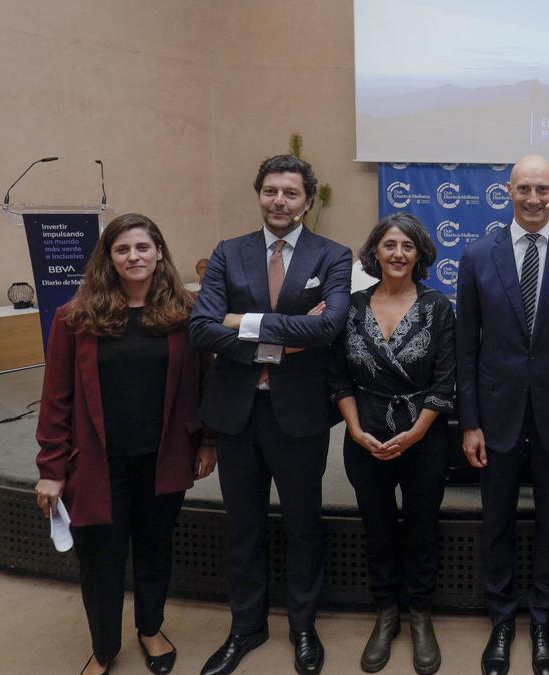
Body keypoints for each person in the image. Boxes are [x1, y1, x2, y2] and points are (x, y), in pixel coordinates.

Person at [189, 154, 352, 675]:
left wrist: (240, 322)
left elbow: (329, 330)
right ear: (258, 194)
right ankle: (246, 627)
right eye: (270, 191)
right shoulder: (227, 253)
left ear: (308, 201)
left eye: (290, 193)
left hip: (299, 417)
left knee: (304, 525)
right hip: (237, 414)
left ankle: (303, 625)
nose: (279, 201)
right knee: (244, 526)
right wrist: (283, 334)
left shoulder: (333, 256)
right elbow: (201, 329)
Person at [35, 213, 216, 675]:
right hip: (96, 464)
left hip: (164, 459)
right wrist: (51, 468)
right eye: (123, 249)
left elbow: (204, 383)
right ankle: (104, 647)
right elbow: (56, 398)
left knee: (156, 549)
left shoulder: (186, 315)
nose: (134, 256)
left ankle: (151, 629)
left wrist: (207, 443)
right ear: (108, 259)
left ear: (159, 253)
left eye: (142, 247)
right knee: (100, 561)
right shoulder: (74, 318)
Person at [456, 154, 549, 675]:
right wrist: (468, 420)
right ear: (508, 191)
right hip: (494, 413)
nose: (534, 199)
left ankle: (542, 619)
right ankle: (500, 621)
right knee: (495, 520)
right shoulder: (476, 255)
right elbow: (466, 348)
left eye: (544, 190)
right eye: (525, 190)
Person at [328, 213, 454, 674]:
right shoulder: (352, 306)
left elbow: (446, 380)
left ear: (419, 254)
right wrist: (357, 430)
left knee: (422, 528)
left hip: (424, 437)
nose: (398, 253)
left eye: (407, 246)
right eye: (389, 245)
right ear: (375, 253)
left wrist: (417, 431)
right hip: (364, 437)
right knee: (377, 528)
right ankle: (386, 616)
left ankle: (420, 615)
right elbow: (338, 377)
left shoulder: (439, 307)